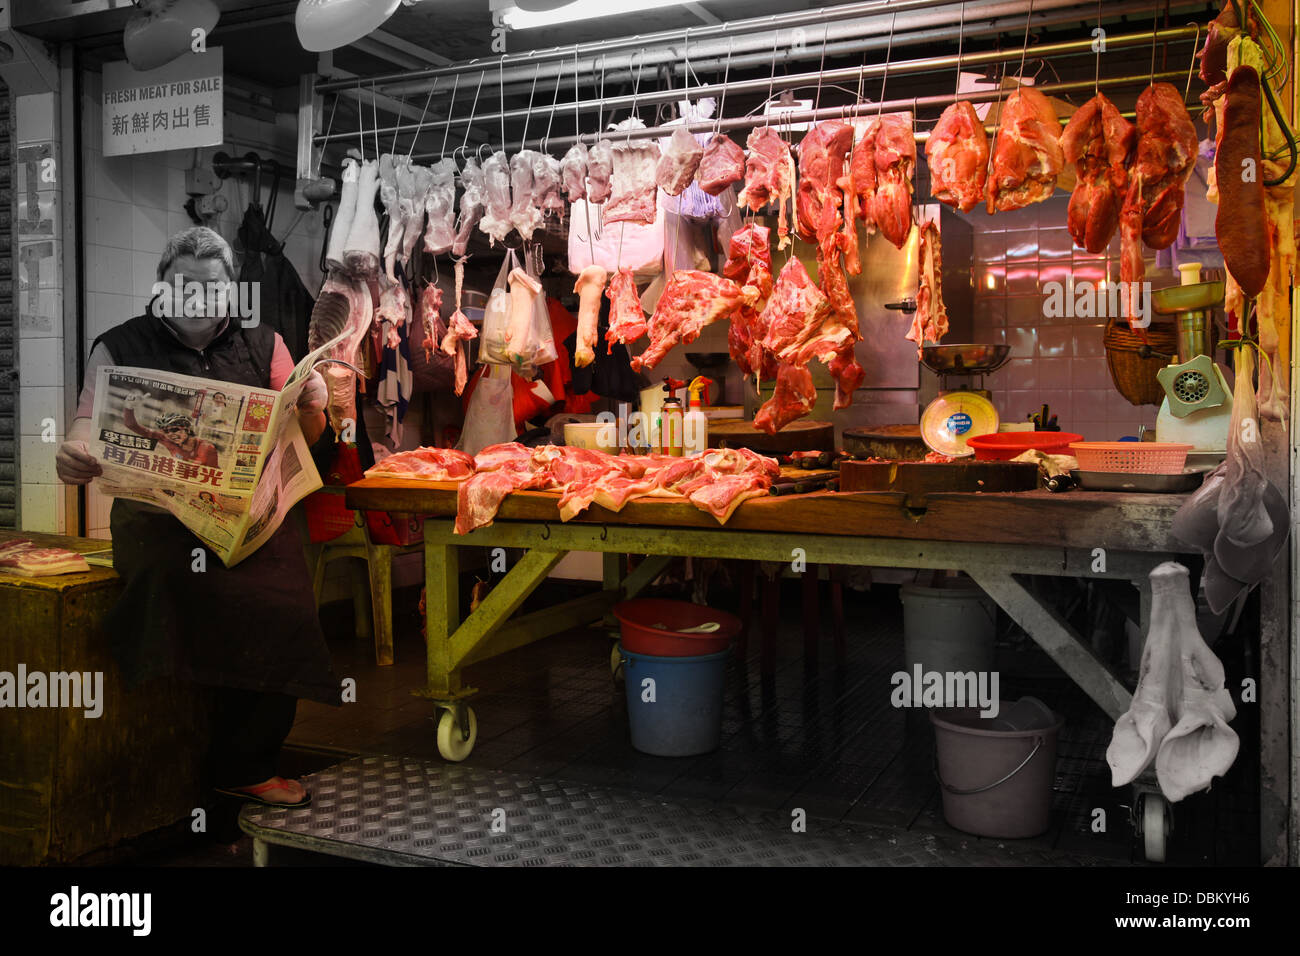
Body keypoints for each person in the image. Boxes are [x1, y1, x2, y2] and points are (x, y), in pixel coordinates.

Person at [56, 226, 339, 817]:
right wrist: (73, 452)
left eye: (212, 288)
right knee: (175, 590)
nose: (198, 299)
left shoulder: (266, 345)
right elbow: (87, 422)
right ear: (162, 287)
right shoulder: (118, 345)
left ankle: (248, 766)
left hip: (248, 523)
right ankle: (164, 764)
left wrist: (314, 404)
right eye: (184, 286)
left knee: (282, 602)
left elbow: (310, 441)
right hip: (160, 522)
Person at [123, 405, 219, 467]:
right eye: (166, 431)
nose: (170, 434)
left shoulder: (206, 448)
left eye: (174, 429)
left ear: (187, 429)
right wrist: (129, 406)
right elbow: (131, 425)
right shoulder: (167, 440)